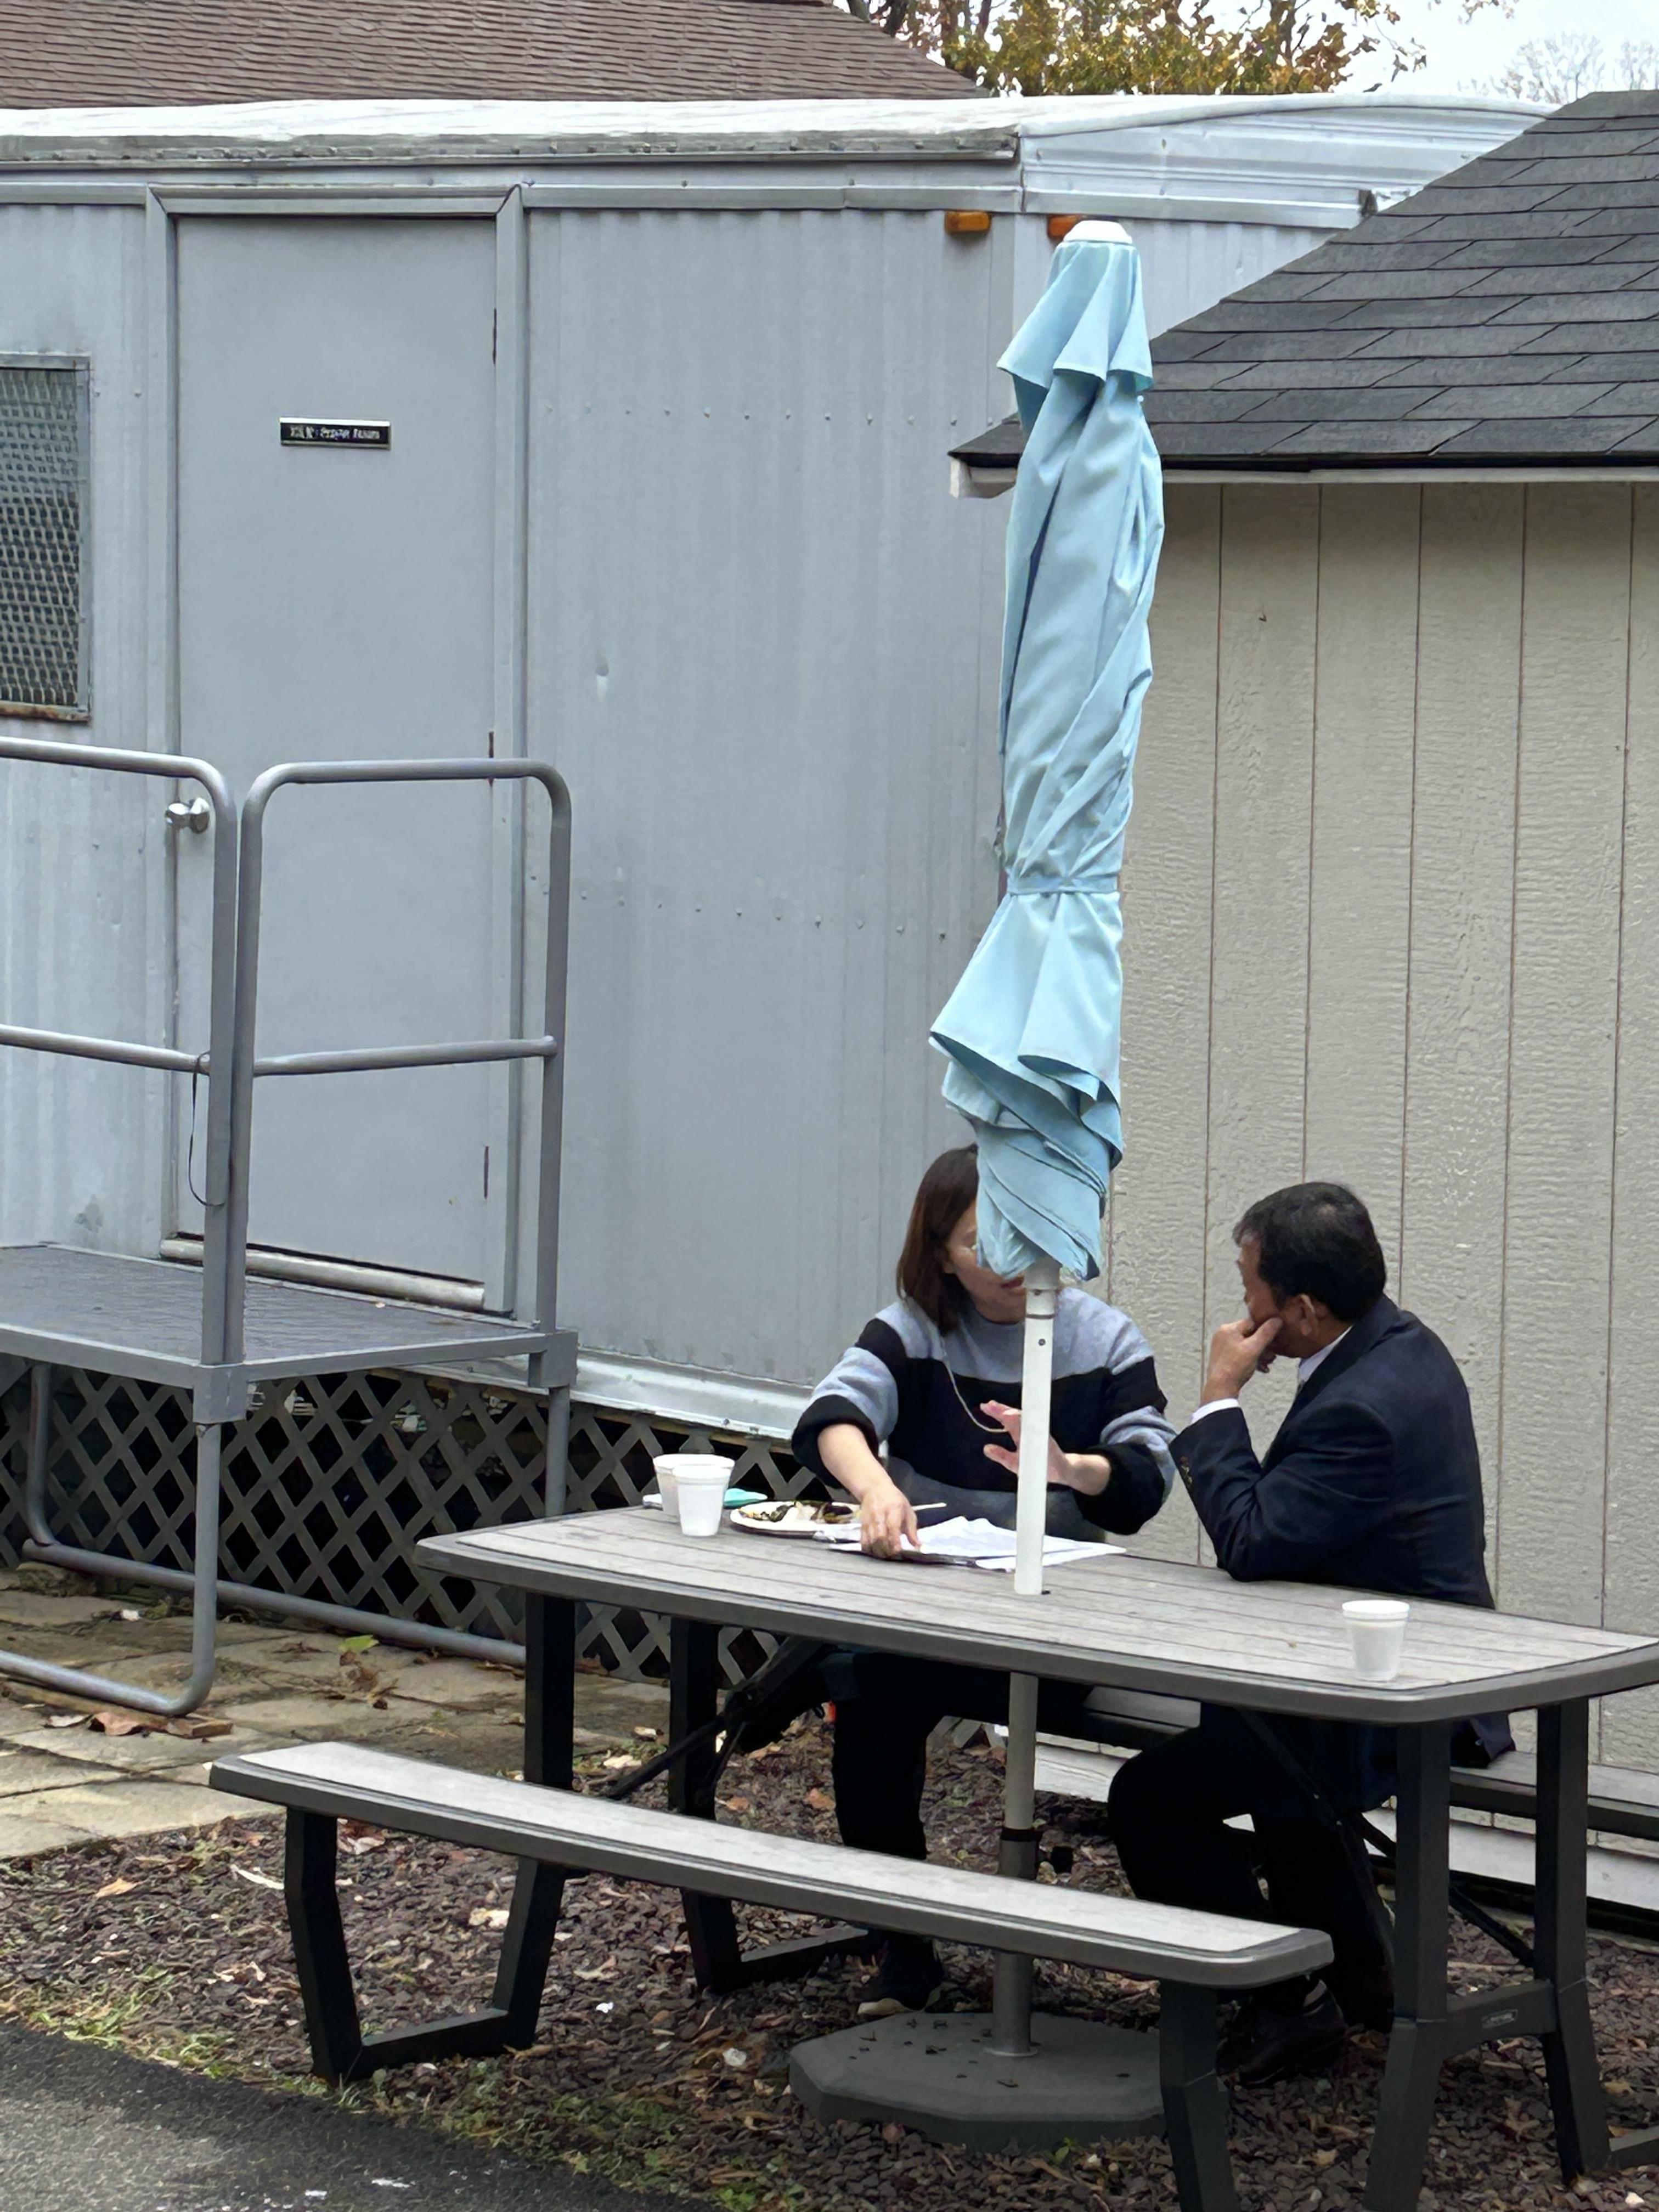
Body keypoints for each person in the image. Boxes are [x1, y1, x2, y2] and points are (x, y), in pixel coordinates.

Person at [1107, 1181, 1511, 2084]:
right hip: (1387, 1669)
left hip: (1407, 1701)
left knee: (1151, 1800)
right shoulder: (1401, 1348)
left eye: (1250, 1285)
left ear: (1301, 1309)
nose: (1241, 1304)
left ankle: (1287, 2000)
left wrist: (1218, 1397)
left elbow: (1252, 1540)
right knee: (1259, 1741)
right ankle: (1358, 1977)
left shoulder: (1363, 1408)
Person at [792, 1142, 1177, 2017]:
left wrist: (1073, 1470)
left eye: (1027, 1235)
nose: (1012, 1262)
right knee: (864, 1701)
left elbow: (1149, 1475)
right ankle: (903, 1946)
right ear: (939, 1253)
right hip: (933, 1608)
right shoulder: (912, 1330)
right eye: (984, 1242)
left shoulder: (1104, 1337)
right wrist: (875, 1487)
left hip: (1055, 1620)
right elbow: (832, 1415)